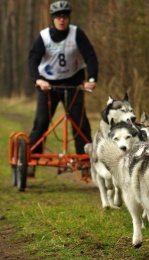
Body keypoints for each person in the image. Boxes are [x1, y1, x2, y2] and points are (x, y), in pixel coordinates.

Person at [27, 1, 98, 175]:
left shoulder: (76, 34)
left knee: (80, 123)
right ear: (53, 19)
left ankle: (85, 163)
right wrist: (37, 80)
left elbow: (90, 56)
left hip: (74, 84)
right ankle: (31, 160)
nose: (62, 20)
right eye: (58, 17)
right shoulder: (44, 36)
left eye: (65, 16)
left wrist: (91, 79)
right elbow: (33, 59)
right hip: (48, 85)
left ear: (69, 18)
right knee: (41, 122)